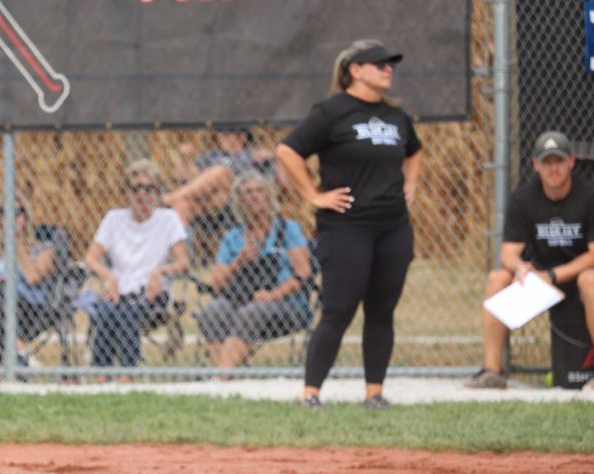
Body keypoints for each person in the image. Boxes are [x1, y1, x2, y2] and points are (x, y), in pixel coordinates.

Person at [276, 40, 423, 409]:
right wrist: (313, 195)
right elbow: (288, 151)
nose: (388, 69)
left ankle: (374, 394)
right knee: (338, 309)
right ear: (355, 70)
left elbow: (415, 151)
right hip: (346, 228)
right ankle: (311, 394)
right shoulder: (332, 112)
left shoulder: (396, 117)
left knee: (381, 311)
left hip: (392, 227)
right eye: (379, 64)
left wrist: (410, 184)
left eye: (391, 64)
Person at [464, 131, 594, 391]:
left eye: (558, 161)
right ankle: (492, 371)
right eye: (546, 162)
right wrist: (520, 267)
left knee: (590, 279)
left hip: (584, 277)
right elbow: (508, 253)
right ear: (536, 164)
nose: (553, 169)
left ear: (571, 161)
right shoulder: (523, 198)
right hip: (543, 283)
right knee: (497, 278)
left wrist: (554, 275)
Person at [83, 159, 191, 375]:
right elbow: (91, 259)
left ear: (157, 193)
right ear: (127, 193)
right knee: (105, 310)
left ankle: (126, 375)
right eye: (136, 189)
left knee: (129, 310)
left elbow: (183, 262)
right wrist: (109, 277)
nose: (142, 194)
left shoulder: (169, 219)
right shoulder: (113, 219)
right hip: (118, 288)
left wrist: (161, 272)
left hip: (152, 292)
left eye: (149, 189)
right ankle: (101, 375)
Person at [197, 171, 314, 369]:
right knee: (213, 311)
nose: (254, 196)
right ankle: (229, 374)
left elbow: (303, 273)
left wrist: (272, 295)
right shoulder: (232, 237)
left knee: (252, 312)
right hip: (240, 300)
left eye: (259, 190)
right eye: (247, 193)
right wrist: (239, 261)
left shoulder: (287, 229)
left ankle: (221, 377)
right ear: (239, 201)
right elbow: (216, 284)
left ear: (268, 195)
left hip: (286, 305)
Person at [0, 203, 59, 368]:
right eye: (5, 213)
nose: (12, 218)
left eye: (17, 213)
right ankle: (18, 349)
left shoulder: (43, 246)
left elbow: (32, 277)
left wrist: (18, 241)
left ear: (26, 217)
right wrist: (1, 283)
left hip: (29, 309)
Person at [164, 126, 276, 229]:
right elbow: (186, 176)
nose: (221, 138)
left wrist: (271, 155)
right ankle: (182, 248)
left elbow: (269, 177)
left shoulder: (252, 155)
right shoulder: (212, 155)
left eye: (226, 135)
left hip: (235, 202)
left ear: (242, 137)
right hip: (209, 202)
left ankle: (168, 199)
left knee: (221, 172)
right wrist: (183, 157)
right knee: (181, 205)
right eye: (220, 134)